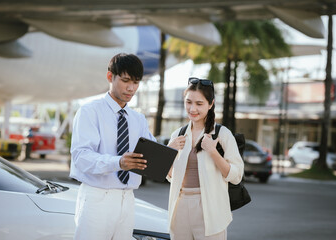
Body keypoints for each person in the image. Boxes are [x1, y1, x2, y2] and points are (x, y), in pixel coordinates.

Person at [70, 53, 155, 240]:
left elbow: (150, 153)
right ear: (110, 76)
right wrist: (118, 163)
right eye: (126, 81)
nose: (131, 88)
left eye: (136, 82)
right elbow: (81, 157)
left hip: (128, 199)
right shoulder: (89, 112)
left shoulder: (138, 119)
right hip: (97, 198)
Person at [167, 77, 244, 240]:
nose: (192, 108)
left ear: (211, 104)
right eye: (188, 102)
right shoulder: (178, 135)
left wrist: (213, 152)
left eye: (199, 104)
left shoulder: (222, 134)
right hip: (180, 204)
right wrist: (169, 152)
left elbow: (236, 176)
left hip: (210, 207)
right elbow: (171, 177)